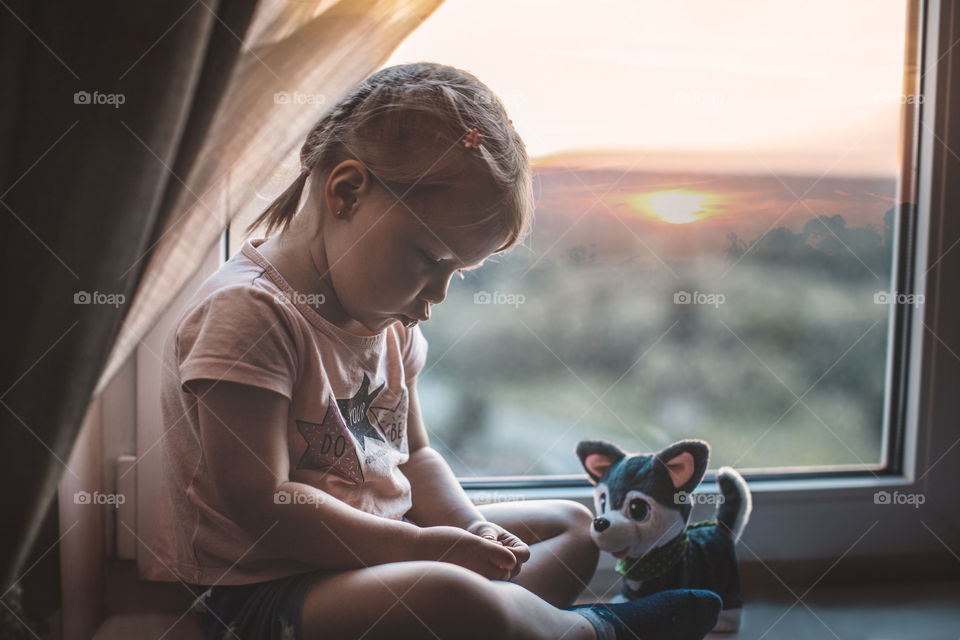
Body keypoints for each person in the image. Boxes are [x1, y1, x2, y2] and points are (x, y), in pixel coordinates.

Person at [151, 62, 721, 640]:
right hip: (270, 594)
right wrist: (423, 548)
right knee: (451, 592)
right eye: (430, 259)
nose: (439, 293)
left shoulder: (386, 318)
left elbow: (417, 456)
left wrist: (471, 529)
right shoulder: (249, 313)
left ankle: (511, 625)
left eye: (458, 273)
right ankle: (589, 633)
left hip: (390, 548)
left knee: (574, 527)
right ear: (347, 192)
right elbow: (265, 505)